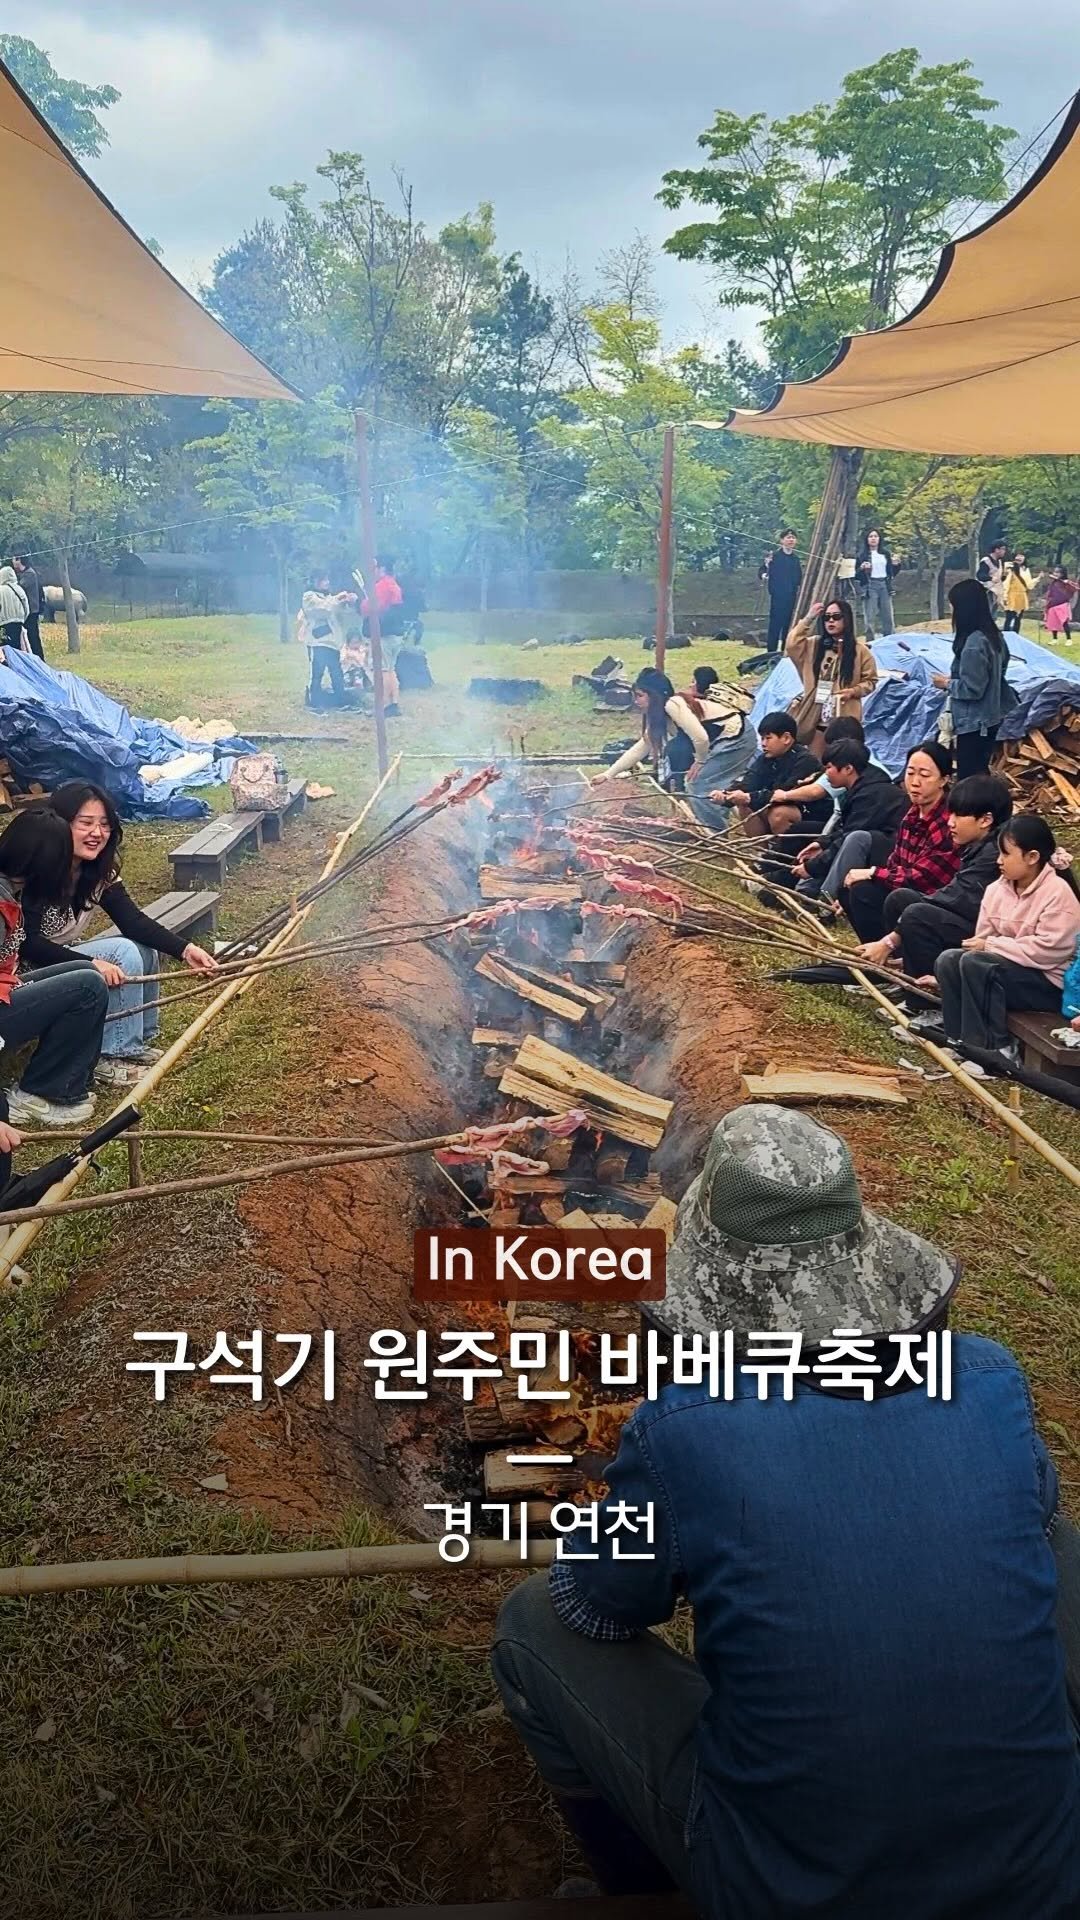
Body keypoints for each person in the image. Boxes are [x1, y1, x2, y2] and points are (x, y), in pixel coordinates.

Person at [492, 1102, 1080, 1919]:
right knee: (1050, 1534)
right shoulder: (986, 1376)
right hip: (1044, 1879)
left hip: (797, 1894)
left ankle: (638, 1886)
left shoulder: (686, 1429)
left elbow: (594, 1608)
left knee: (530, 1626)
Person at [20, 782, 220, 1086]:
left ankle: (137, 1042)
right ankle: (109, 1055)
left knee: (141, 948)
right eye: (85, 823)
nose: (97, 833)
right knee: (120, 953)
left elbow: (133, 922)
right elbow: (27, 943)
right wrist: (90, 964)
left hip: (55, 959)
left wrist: (184, 949)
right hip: (23, 971)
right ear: (60, 823)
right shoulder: (39, 870)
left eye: (104, 824)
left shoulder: (96, 871)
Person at [934, 815, 1080, 1062]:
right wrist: (981, 946)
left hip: (1045, 984)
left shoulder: (1058, 894)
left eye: (1006, 854)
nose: (999, 860)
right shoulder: (996, 889)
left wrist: (991, 945)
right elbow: (983, 937)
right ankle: (959, 1042)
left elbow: (1048, 951)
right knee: (949, 960)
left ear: (1032, 857)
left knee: (978, 964)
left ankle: (996, 1049)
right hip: (1008, 971)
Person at [0, 808, 108, 1128]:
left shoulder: (12, 889)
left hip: (6, 986)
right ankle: (40, 1093)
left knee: (85, 973)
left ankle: (71, 1079)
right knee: (87, 987)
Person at [856, 774, 1014, 983]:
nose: (950, 822)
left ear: (985, 820)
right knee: (901, 899)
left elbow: (956, 897)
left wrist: (890, 941)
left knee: (917, 914)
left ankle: (922, 992)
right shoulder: (977, 844)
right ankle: (907, 970)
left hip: (988, 933)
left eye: (958, 816)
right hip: (971, 918)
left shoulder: (995, 854)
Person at [840, 740, 958, 943]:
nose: (915, 782)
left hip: (933, 900)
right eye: (910, 773)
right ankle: (875, 949)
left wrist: (873, 873)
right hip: (906, 887)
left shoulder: (948, 822)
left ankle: (893, 950)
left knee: (889, 894)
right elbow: (896, 861)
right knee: (852, 889)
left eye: (924, 775)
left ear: (943, 780)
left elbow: (922, 878)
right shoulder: (912, 814)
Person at [709, 710, 831, 886]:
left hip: (807, 817)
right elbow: (749, 782)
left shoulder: (805, 761)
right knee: (744, 805)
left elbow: (785, 794)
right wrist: (726, 795)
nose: (763, 743)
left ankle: (781, 859)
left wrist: (749, 797)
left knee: (779, 813)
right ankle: (761, 855)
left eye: (768, 738)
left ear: (786, 738)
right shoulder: (766, 758)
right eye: (762, 738)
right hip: (773, 807)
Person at [791, 740, 909, 906]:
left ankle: (823, 902)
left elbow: (850, 836)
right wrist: (822, 843)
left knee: (854, 840)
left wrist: (812, 868)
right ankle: (805, 893)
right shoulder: (863, 789)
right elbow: (848, 829)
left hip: (891, 859)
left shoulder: (872, 795)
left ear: (848, 769)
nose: (826, 774)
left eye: (829, 767)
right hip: (876, 850)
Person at [931, 577, 1017, 779]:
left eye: (953, 606)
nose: (952, 611)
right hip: (991, 717)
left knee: (969, 777)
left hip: (974, 722)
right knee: (980, 772)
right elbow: (998, 672)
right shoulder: (995, 636)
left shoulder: (974, 644)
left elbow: (973, 689)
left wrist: (947, 683)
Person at [593, 669, 716, 790]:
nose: (636, 701)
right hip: (717, 743)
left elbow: (701, 738)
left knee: (695, 781)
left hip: (726, 739)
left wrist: (700, 762)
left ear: (654, 695)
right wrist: (608, 774)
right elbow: (641, 748)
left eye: (640, 695)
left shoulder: (672, 705)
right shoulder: (662, 715)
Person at [784, 597, 877, 751]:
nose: (831, 621)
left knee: (842, 759)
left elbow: (871, 681)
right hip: (816, 719)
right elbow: (792, 644)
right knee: (817, 761)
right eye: (827, 618)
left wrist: (853, 691)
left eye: (836, 616)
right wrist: (809, 618)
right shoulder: (814, 645)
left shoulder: (860, 651)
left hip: (845, 721)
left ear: (846, 619)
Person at [299, 572, 355, 711]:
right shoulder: (309, 597)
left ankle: (341, 701)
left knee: (336, 673)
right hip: (318, 641)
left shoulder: (329, 598)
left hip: (333, 642)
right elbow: (323, 610)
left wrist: (348, 602)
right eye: (324, 580)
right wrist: (337, 599)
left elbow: (341, 612)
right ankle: (314, 701)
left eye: (327, 579)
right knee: (317, 673)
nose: (327, 582)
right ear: (315, 581)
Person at [361, 556, 405, 717]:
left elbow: (369, 607)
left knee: (383, 671)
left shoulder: (382, 586)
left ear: (382, 568)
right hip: (396, 634)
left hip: (384, 634)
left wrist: (358, 602)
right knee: (391, 670)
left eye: (375, 567)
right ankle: (393, 703)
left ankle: (383, 705)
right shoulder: (394, 584)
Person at [760, 530, 801, 656]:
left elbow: (798, 577)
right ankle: (771, 652)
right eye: (788, 537)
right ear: (782, 540)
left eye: (793, 538)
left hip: (791, 596)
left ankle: (785, 651)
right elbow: (763, 570)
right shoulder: (774, 556)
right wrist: (764, 573)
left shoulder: (795, 559)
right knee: (775, 624)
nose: (791, 540)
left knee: (788, 625)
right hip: (777, 596)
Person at [856, 528, 899, 640]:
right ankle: (870, 640)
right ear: (867, 539)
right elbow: (856, 575)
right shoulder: (862, 555)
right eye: (871, 536)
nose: (873, 539)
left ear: (879, 539)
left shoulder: (885, 554)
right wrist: (862, 568)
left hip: (884, 584)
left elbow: (892, 573)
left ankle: (890, 639)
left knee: (888, 615)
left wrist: (896, 565)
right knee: (870, 616)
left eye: (876, 536)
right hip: (870, 585)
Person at [1002, 551, 1041, 633]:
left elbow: (1029, 585)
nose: (1019, 558)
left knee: (1018, 618)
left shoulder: (1026, 569)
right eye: (1018, 556)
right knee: (1009, 617)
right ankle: (1006, 636)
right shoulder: (1010, 568)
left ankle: (1016, 635)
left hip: (1022, 596)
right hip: (1011, 595)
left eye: (1021, 556)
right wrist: (1005, 596)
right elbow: (1006, 583)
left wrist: (1038, 578)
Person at [12, 556, 42, 659]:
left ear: (19, 560)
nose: (12, 562)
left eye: (14, 559)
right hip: (25, 611)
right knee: (25, 638)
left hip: (31, 612)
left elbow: (19, 587)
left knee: (33, 637)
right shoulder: (22, 574)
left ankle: (39, 659)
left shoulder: (29, 574)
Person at [1044, 567, 1080, 643]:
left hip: (1062, 605)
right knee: (1053, 622)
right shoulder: (1053, 583)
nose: (1055, 574)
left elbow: (1076, 588)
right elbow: (1049, 594)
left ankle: (1069, 639)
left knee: (1064, 622)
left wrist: (1067, 583)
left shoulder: (1066, 583)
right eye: (1055, 572)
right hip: (1052, 605)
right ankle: (1055, 639)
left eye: (1058, 572)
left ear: (1062, 574)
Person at [0, 563, 29, 650]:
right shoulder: (19, 589)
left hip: (3, 623)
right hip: (18, 622)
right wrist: (22, 619)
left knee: (5, 649)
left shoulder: (1, 590)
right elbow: (26, 607)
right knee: (17, 648)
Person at [976, 539, 1008, 612]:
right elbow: (980, 575)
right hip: (987, 590)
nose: (1004, 551)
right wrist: (990, 578)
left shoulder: (999, 561)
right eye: (1003, 549)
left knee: (993, 613)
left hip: (996, 592)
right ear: (996, 550)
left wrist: (1004, 576)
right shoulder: (986, 560)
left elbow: (999, 578)